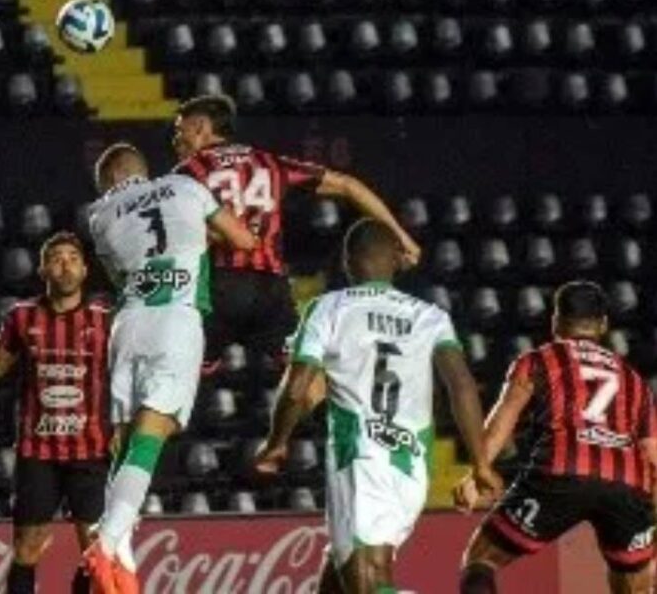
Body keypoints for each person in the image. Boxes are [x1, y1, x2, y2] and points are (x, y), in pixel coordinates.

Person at [254, 218, 501, 593]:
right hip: (411, 461)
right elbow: (462, 386)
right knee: (341, 580)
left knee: (369, 580)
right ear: (396, 261)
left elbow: (297, 385)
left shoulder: (329, 308)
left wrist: (276, 443)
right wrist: (480, 463)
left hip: (361, 455)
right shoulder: (430, 316)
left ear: (347, 262)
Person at [84, 142, 256, 593]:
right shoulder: (185, 186)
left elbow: (118, 275)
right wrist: (205, 233)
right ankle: (105, 541)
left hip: (129, 323)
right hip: (176, 318)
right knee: (151, 436)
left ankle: (121, 561)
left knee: (125, 445)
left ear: (109, 181)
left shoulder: (99, 215)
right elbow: (243, 240)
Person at [172, 94, 422, 373]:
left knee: (184, 375)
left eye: (180, 130)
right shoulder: (269, 163)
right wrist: (402, 237)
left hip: (215, 289)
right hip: (270, 290)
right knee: (305, 374)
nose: (176, 139)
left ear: (200, 126)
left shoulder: (186, 173)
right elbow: (349, 185)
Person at [456, 281, 657, 594]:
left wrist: (478, 470)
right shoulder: (635, 380)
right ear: (603, 324)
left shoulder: (537, 360)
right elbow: (652, 453)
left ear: (556, 322)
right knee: (635, 585)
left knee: (481, 560)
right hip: (627, 481)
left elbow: (504, 417)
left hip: (562, 469)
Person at [0, 232, 112, 594]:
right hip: (37, 452)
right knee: (27, 547)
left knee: (94, 550)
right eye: (56, 259)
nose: (65, 265)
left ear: (85, 269)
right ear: (43, 269)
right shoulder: (21, 315)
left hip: (90, 451)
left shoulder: (105, 319)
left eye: (72, 258)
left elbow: (127, 374)